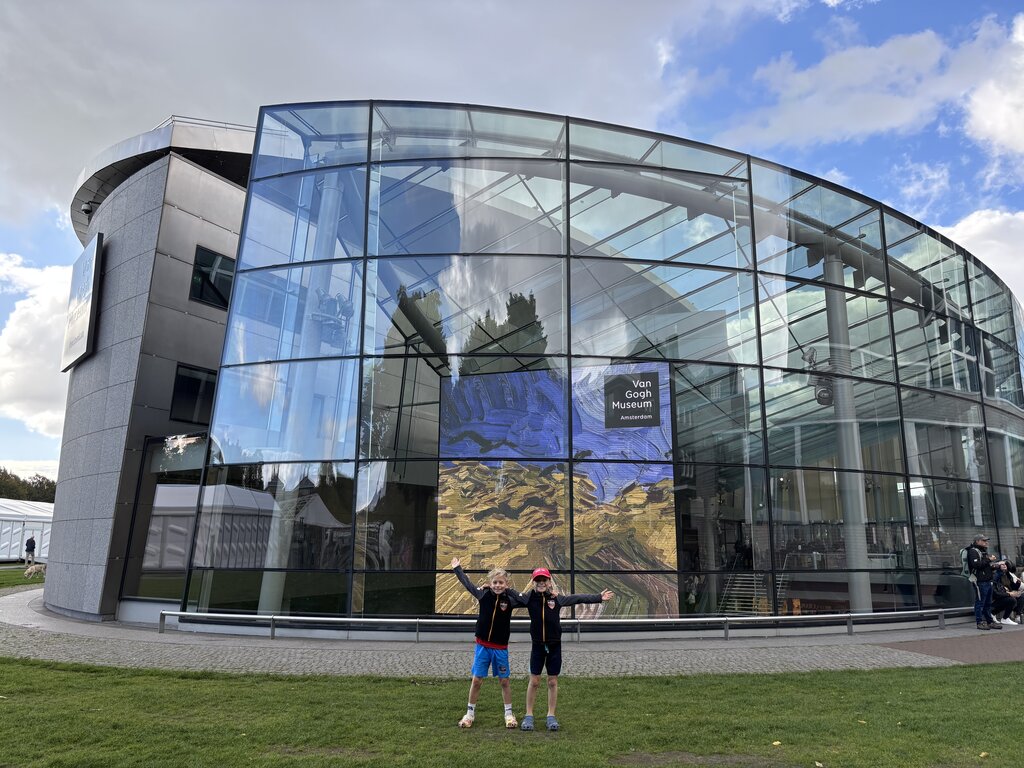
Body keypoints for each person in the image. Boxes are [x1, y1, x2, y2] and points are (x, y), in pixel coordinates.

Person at [518, 567, 614, 732]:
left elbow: (576, 598)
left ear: (549, 582)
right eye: (538, 580)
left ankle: (551, 715)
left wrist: (598, 597)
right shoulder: (528, 598)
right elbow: (507, 594)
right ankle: (528, 715)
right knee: (534, 681)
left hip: (555, 646)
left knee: (552, 681)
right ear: (534, 582)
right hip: (538, 646)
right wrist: (490, 589)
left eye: (544, 580)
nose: (541, 583)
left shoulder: (556, 598)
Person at [450, 556, 524, 729]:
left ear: (506, 583)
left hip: (500, 648)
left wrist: (510, 591)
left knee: (504, 682)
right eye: (495, 582)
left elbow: (526, 599)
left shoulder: (510, 600)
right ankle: (469, 714)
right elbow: (467, 584)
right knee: (477, 681)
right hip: (483, 646)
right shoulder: (482, 594)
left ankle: (509, 715)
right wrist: (457, 568)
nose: (498, 585)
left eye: (501, 583)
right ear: (489, 583)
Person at [966, 534, 1002, 630]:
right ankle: (979, 622)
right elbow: (976, 565)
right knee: (980, 602)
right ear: (977, 541)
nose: (987, 542)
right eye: (984, 540)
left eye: (987, 540)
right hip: (980, 581)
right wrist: (988, 559)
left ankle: (989, 621)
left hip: (987, 580)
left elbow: (985, 566)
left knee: (988, 603)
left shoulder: (983, 551)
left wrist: (996, 566)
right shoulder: (973, 551)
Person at [992, 560, 1023, 625]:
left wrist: (1018, 583)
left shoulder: (1007, 574)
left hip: (1006, 594)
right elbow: (996, 592)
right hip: (998, 598)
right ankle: (1003, 618)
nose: (1004, 565)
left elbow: (1013, 587)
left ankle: (1017, 616)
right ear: (998, 566)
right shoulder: (996, 575)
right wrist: (1008, 593)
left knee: (1021, 596)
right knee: (1012, 600)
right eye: (1002, 564)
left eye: (1005, 564)